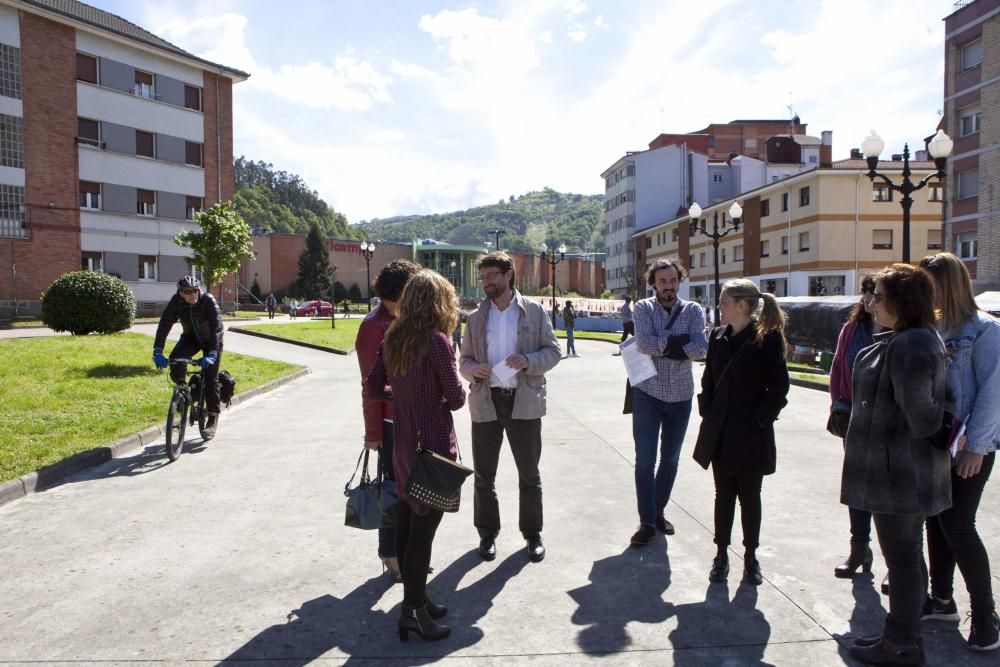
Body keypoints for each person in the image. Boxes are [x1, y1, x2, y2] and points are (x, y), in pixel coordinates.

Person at [842, 264, 952, 665]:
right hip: (899, 471)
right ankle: (901, 635)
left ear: (902, 303)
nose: (871, 304)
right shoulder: (908, 340)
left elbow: (922, 416)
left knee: (902, 559)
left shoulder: (911, 345)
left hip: (900, 473)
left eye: (879, 297)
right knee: (906, 556)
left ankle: (902, 642)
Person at [366, 269, 466, 642]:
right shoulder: (437, 341)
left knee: (409, 520)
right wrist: (429, 396)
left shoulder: (393, 337)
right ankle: (413, 611)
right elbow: (456, 399)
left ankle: (417, 598)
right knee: (423, 532)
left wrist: (403, 396)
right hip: (434, 446)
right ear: (440, 303)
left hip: (405, 442)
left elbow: (375, 385)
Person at [918, 252, 1000, 652]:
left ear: (948, 284)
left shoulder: (985, 330)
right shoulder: (930, 329)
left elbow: (992, 394)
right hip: (934, 444)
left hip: (968, 446)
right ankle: (942, 599)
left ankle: (986, 615)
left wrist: (979, 448)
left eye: (929, 284)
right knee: (935, 520)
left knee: (958, 525)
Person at [459, 251, 561, 564]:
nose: (486, 283)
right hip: (487, 402)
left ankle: (532, 535)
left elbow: (554, 352)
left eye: (492, 276)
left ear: (508, 275)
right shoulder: (476, 318)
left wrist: (529, 361)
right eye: (483, 277)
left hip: (524, 402)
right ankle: (487, 533)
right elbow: (463, 360)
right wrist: (473, 369)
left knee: (529, 474)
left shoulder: (533, 312)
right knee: (484, 475)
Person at [693, 279, 788, 586]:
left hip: (750, 434)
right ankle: (721, 555)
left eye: (723, 302)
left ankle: (750, 556)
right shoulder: (718, 336)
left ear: (742, 306)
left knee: (750, 497)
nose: (719, 307)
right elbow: (709, 377)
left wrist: (760, 419)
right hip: (721, 432)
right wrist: (707, 408)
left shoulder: (767, 338)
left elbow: (779, 387)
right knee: (723, 496)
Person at [629, 259, 708, 546]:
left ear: (680, 280)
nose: (668, 286)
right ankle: (647, 522)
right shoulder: (644, 308)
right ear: (653, 283)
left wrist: (663, 343)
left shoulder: (693, 310)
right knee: (645, 461)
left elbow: (701, 348)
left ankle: (657, 510)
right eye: (662, 281)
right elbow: (643, 345)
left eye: (673, 280)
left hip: (681, 396)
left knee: (671, 460)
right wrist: (679, 343)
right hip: (647, 394)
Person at [356, 259, 421, 582]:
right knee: (393, 492)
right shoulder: (373, 325)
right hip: (392, 426)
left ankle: (410, 552)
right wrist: (373, 432)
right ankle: (391, 554)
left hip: (416, 421)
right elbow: (370, 387)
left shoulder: (408, 320)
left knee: (414, 493)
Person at [830, 276, 879, 580]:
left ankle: (896, 560)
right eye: (867, 293)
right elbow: (837, 368)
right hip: (853, 418)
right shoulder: (852, 329)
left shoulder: (902, 332)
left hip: (889, 424)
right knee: (857, 486)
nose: (870, 300)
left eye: (876, 294)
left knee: (888, 490)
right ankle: (859, 548)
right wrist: (839, 404)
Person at [152, 276, 224, 436]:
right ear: (181, 293)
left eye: (195, 291)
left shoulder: (208, 301)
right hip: (190, 339)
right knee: (176, 361)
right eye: (188, 292)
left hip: (211, 341)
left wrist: (212, 353)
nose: (193, 295)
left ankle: (212, 417)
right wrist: (157, 349)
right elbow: (164, 324)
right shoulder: (176, 302)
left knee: (211, 378)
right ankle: (183, 392)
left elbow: (217, 328)